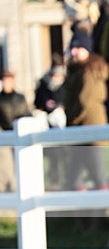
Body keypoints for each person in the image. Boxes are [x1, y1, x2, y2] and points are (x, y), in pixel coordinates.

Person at [63, 33, 109, 190]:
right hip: (81, 129)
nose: (74, 51)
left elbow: (85, 101)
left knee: (98, 175)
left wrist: (72, 120)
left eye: (79, 47)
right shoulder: (76, 70)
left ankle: (104, 208)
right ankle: (82, 211)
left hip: (90, 127)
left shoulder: (90, 71)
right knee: (74, 176)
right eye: (73, 48)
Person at [34, 54, 67, 189]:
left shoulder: (66, 83)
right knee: (51, 154)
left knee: (64, 153)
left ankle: (65, 178)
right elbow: (38, 102)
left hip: (62, 122)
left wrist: (61, 105)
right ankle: (54, 179)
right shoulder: (43, 83)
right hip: (48, 123)